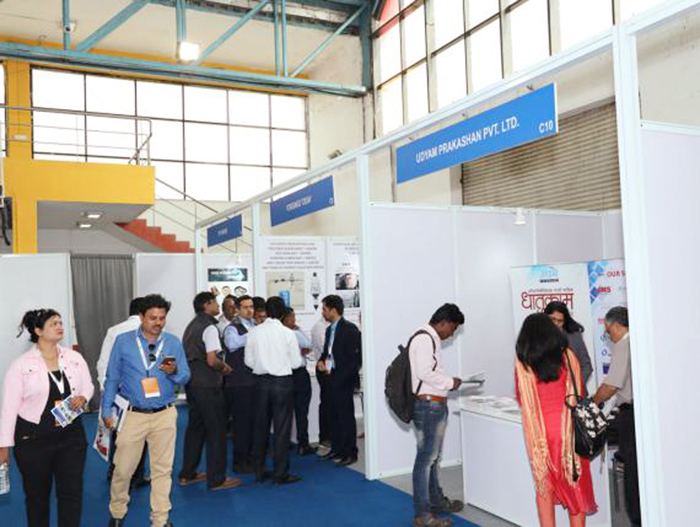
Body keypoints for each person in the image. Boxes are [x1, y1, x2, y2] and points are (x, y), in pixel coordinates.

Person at [102, 294, 191, 527]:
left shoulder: (172, 342)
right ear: (141, 317)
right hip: (133, 415)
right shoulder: (123, 341)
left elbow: (185, 376)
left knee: (163, 470)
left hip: (165, 413)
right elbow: (112, 378)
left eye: (162, 318)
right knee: (123, 469)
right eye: (153, 318)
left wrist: (174, 372)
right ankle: (117, 511)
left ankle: (160, 519)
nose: (158, 322)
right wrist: (106, 409)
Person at [0, 309, 94, 527]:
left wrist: (83, 397)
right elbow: (9, 408)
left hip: (71, 437)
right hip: (33, 440)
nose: (60, 326)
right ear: (38, 330)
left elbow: (88, 385)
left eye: (60, 322)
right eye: (53, 324)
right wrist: (3, 446)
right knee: (37, 497)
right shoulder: (21, 365)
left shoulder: (74, 358)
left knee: (71, 493)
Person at [515, 313, 597, 527]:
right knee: (575, 484)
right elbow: (578, 392)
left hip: (540, 434)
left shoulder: (523, 364)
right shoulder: (568, 356)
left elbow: (522, 398)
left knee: (544, 487)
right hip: (568, 431)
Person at [408, 304, 465, 527]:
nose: (452, 334)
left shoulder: (428, 337)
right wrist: (450, 382)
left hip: (432, 405)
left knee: (431, 458)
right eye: (453, 328)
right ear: (444, 323)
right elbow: (424, 372)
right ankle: (423, 514)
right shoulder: (425, 338)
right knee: (426, 460)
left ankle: (435, 501)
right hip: (428, 406)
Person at [178, 292, 240, 491]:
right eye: (215, 302)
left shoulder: (191, 326)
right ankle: (216, 479)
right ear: (206, 305)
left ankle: (187, 474)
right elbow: (212, 360)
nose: (218, 305)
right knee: (217, 431)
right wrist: (225, 368)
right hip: (208, 386)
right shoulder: (210, 327)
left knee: (195, 429)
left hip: (193, 385)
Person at [245, 296, 303, 485]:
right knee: (282, 430)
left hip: (260, 384)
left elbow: (248, 361)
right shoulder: (288, 333)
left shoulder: (254, 332)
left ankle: (259, 471)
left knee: (259, 429)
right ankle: (280, 474)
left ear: (266, 312)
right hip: (282, 384)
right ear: (283, 313)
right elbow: (296, 363)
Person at [593, 307, 639, 526]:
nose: (608, 335)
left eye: (608, 330)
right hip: (638, 412)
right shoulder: (638, 340)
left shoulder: (623, 344)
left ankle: (636, 518)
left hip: (630, 415)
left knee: (632, 470)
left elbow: (611, 386)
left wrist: (592, 403)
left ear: (618, 326)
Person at [97, 297, 149, 488]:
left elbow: (103, 363)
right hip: (144, 391)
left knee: (117, 431)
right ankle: (137, 476)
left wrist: (105, 390)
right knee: (142, 433)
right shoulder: (151, 330)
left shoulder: (114, 330)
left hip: (118, 390)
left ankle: (114, 471)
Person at [317, 295, 362, 467]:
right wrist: (321, 362)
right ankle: (337, 449)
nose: (323, 312)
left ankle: (350, 452)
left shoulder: (350, 329)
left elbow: (355, 360)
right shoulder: (329, 330)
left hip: (343, 381)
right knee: (333, 417)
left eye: (324, 309)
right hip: (329, 379)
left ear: (333, 310)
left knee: (346, 418)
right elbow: (327, 352)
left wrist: (342, 377)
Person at [222, 295, 256, 473]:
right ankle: (240, 460)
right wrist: (253, 335)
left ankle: (250, 457)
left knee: (252, 422)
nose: (250, 310)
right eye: (245, 307)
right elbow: (232, 344)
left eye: (251, 306)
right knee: (241, 423)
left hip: (253, 381)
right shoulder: (232, 328)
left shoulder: (254, 326)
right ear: (237, 309)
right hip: (238, 383)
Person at [282, 307, 317, 456]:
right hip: (299, 375)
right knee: (301, 412)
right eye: (292, 317)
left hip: (284, 375)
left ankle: (284, 444)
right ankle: (303, 444)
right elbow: (308, 344)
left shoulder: (278, 334)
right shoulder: (294, 333)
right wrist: (298, 330)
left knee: (285, 413)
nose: (295, 320)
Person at [544, 302, 593, 384]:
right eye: (553, 319)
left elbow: (586, 366)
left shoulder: (574, 336)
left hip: (573, 388)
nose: (556, 324)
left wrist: (576, 385)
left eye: (560, 321)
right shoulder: (537, 337)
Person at [311, 317, 332, 449]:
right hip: (323, 369)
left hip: (331, 369)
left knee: (331, 404)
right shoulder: (319, 328)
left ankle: (331, 436)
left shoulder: (333, 327)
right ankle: (325, 438)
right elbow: (327, 349)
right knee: (326, 404)